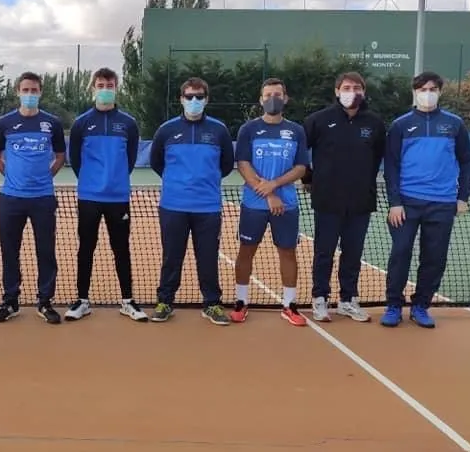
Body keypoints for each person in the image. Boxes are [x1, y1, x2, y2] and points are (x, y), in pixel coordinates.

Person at [381, 71, 470, 329]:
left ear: (440, 92)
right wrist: (395, 201)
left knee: (435, 258)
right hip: (407, 202)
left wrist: (462, 196)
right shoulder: (400, 125)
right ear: (415, 92)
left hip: (442, 204)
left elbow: (466, 161)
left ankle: (421, 306)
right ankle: (393, 306)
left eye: (432, 88)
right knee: (400, 253)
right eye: (422, 89)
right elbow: (391, 165)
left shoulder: (455, 124)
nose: (427, 93)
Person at [302, 71, 386, 323]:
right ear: (337, 91)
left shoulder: (374, 123)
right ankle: (320, 299)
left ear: (364, 92)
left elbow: (378, 156)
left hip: (361, 201)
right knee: (324, 252)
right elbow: (300, 151)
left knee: (353, 253)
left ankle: (348, 300)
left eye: (357, 87)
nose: (352, 91)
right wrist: (308, 178)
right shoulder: (318, 120)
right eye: (347, 87)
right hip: (327, 200)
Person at [149, 77, 234, 325]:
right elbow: (157, 162)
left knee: (207, 257)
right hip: (173, 206)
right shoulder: (166, 130)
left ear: (206, 99)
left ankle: (212, 303)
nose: (194, 101)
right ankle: (165, 301)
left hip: (208, 208)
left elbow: (226, 165)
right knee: (171, 257)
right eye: (189, 96)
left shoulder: (219, 130)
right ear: (181, 99)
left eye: (199, 96)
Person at [64, 67, 147, 322]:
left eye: (109, 85)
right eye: (100, 85)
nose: (105, 90)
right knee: (86, 248)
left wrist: (114, 180)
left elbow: (130, 158)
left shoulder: (129, 124)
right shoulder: (81, 123)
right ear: (93, 88)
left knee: (121, 248)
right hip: (89, 197)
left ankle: (127, 301)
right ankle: (82, 301)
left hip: (118, 198)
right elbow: (75, 160)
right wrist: (92, 181)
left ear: (116, 88)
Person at [0, 72, 66, 324]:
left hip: (43, 198)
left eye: (34, 90)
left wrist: (46, 177)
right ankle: (10, 301)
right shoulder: (5, 123)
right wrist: (11, 175)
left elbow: (60, 156)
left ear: (40, 92)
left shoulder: (51, 123)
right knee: (9, 251)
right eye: (26, 90)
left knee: (45, 251)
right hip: (11, 199)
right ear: (17, 91)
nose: (30, 94)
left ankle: (45, 302)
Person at [232, 78, 309, 326]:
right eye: (267, 95)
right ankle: (241, 301)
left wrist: (274, 186)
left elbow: (301, 168)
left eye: (277, 94)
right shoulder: (249, 129)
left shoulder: (296, 131)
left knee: (288, 252)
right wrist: (267, 192)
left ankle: (289, 304)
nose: (272, 98)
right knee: (246, 251)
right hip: (253, 204)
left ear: (285, 98)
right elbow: (243, 164)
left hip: (286, 205)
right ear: (261, 99)